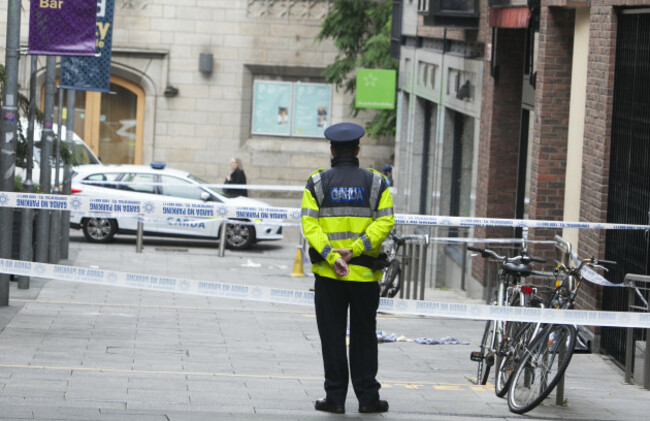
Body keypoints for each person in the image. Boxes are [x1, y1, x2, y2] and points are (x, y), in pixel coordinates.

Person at [301, 122, 395, 414]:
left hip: (330, 276)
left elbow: (309, 224)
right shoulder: (377, 182)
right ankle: (368, 398)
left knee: (332, 336)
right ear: (357, 149)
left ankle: (335, 399)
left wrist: (332, 255)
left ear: (332, 150)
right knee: (364, 337)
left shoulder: (316, 182)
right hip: (366, 276)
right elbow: (385, 222)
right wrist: (354, 250)